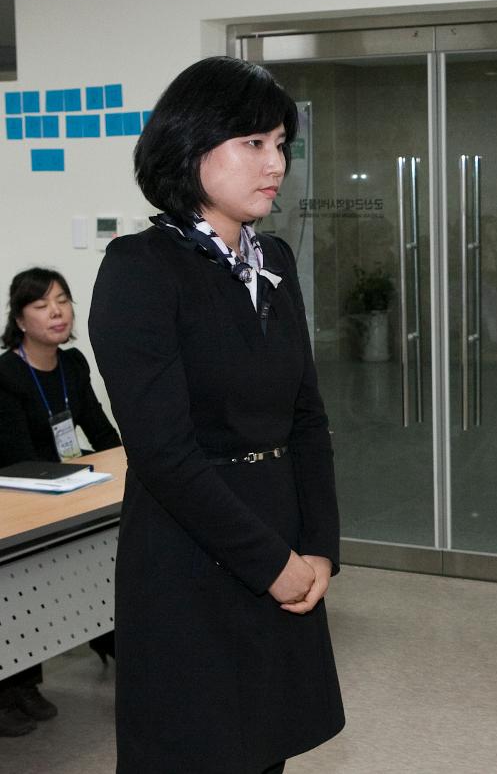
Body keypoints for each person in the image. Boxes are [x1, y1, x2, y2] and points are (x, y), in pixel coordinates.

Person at [88, 56, 344, 774]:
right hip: (191, 555)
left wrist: (318, 546)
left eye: (282, 144)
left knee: (265, 750)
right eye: (253, 143)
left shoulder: (277, 261)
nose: (276, 163)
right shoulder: (142, 268)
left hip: (284, 544)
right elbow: (164, 452)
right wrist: (272, 565)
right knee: (196, 752)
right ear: (191, 144)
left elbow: (306, 418)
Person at [0, 267, 122, 737]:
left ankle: (109, 634)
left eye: (63, 300)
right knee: (23, 583)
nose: (56, 312)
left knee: (105, 551)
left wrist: (127, 460)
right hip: (21, 494)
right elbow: (17, 459)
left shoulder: (73, 364)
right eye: (41, 305)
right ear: (20, 319)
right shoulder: (6, 373)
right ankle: (14, 684)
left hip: (68, 484)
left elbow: (99, 427)